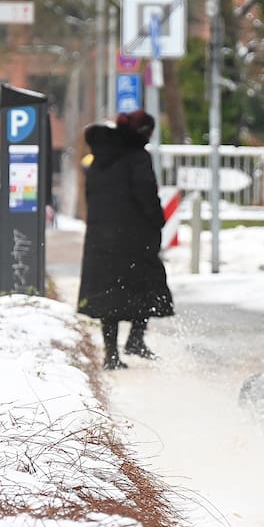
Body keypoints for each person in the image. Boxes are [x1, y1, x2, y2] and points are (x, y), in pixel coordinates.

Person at [77, 110, 174, 370]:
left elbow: (92, 196)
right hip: (134, 238)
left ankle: (111, 355)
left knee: (109, 294)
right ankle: (135, 340)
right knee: (143, 285)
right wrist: (157, 220)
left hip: (102, 239)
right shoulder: (137, 158)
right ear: (143, 132)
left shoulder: (99, 158)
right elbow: (146, 195)